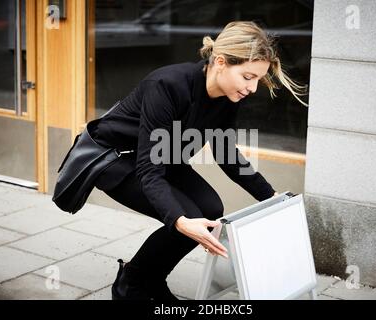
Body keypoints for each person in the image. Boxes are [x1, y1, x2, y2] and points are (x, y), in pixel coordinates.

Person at [89, 21, 307, 301]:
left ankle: (152, 280)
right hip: (115, 160)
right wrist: (179, 221)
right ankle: (129, 283)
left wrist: (272, 197)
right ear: (220, 62)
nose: (252, 88)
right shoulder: (167, 86)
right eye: (248, 76)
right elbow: (149, 171)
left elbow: (227, 154)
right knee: (189, 220)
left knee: (209, 209)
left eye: (257, 79)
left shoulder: (229, 96)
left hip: (162, 158)